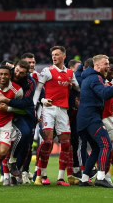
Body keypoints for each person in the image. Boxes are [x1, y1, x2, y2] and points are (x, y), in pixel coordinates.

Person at [77, 54, 113, 188]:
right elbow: (104, 93)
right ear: (97, 66)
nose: (108, 66)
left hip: (84, 119)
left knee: (95, 149)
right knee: (106, 145)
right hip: (91, 119)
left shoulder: (89, 77)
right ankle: (100, 177)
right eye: (105, 63)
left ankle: (84, 179)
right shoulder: (95, 78)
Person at [32, 46, 80, 186]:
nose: (54, 57)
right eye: (52, 54)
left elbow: (78, 88)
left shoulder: (70, 73)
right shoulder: (47, 71)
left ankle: (60, 178)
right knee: (47, 142)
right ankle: (43, 175)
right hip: (49, 109)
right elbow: (38, 91)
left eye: (57, 54)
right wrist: (37, 106)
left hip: (63, 111)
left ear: (64, 56)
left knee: (66, 144)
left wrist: (73, 87)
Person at [0, 60, 36, 185]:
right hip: (3, 112)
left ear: (27, 73)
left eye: (21, 73)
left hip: (22, 112)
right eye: (16, 70)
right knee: (0, 143)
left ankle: (14, 166)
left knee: (26, 139)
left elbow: (26, 103)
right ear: (14, 67)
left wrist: (7, 101)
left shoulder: (30, 83)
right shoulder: (8, 73)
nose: (17, 74)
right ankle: (1, 174)